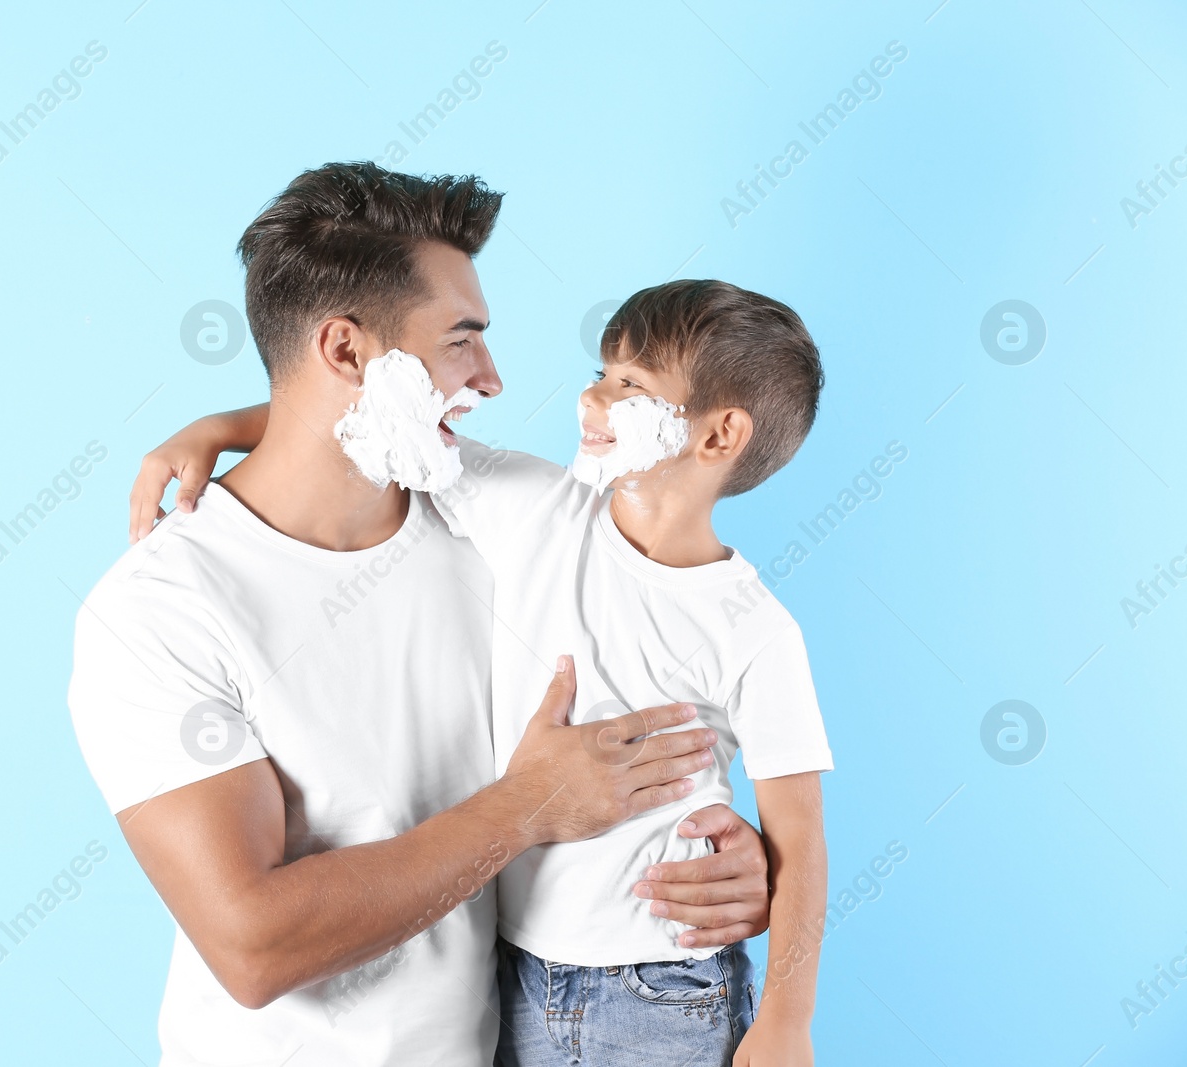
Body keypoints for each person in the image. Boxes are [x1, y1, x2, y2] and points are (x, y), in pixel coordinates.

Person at [69, 163, 772, 1067]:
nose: (492, 377)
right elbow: (252, 943)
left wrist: (718, 863)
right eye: (460, 342)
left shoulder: (502, 522)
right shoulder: (161, 609)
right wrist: (525, 808)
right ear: (347, 352)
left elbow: (652, 693)